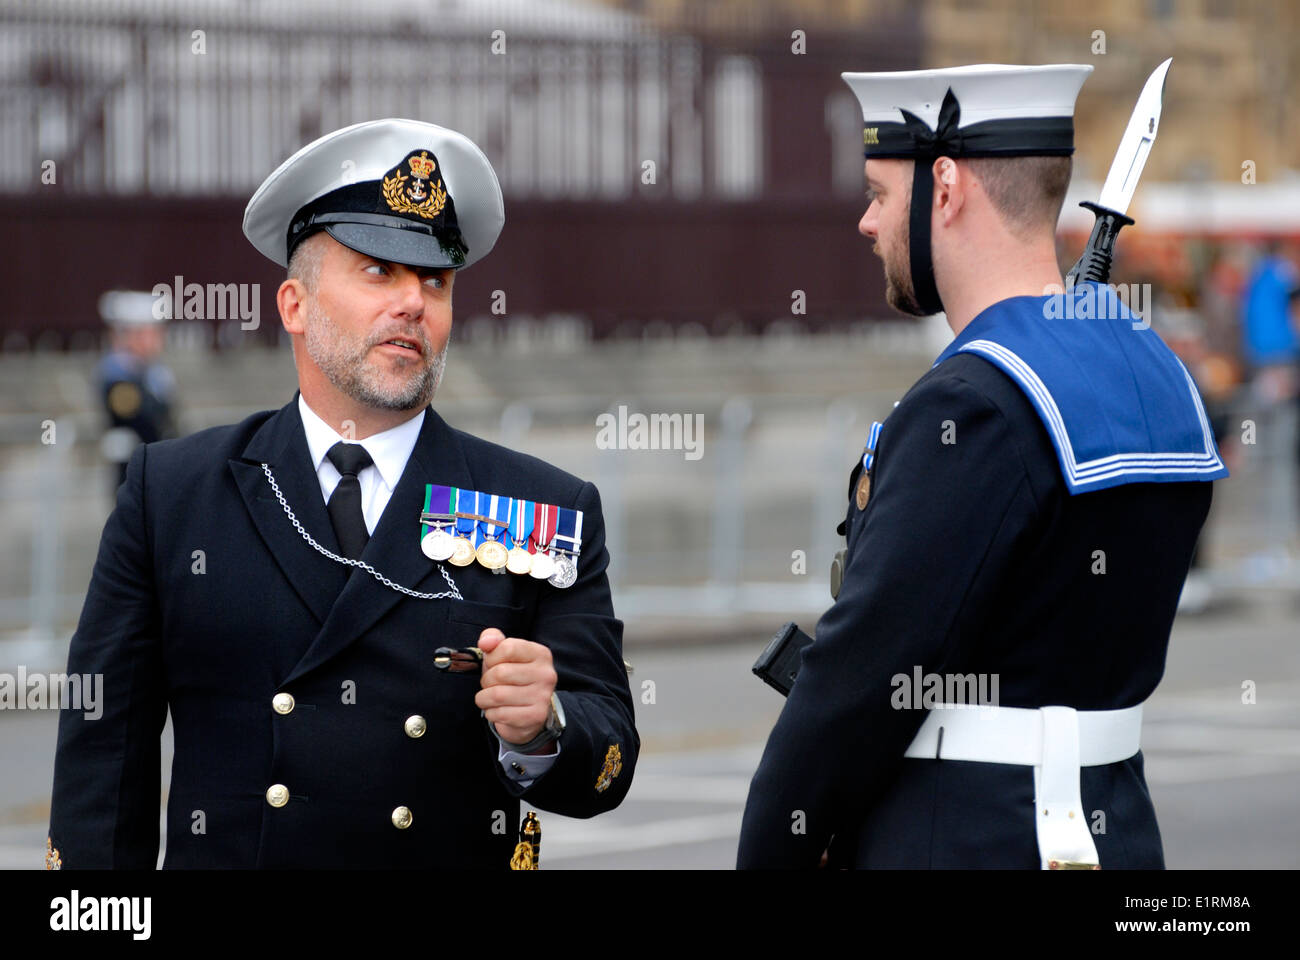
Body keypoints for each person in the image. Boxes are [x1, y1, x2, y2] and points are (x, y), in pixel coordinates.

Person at [48, 118, 637, 869]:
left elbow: (608, 753)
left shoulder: (544, 509)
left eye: (435, 281)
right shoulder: (174, 495)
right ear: (294, 305)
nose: (413, 303)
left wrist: (544, 726)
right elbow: (106, 755)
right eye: (377, 271)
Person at [737, 64, 1228, 869]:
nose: (865, 222)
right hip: (1118, 836)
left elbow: (854, 690)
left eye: (879, 194)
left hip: (958, 838)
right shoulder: (1156, 371)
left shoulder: (973, 406)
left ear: (947, 186)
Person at [94, 290, 177, 491]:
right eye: (152, 333)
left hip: (155, 469)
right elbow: (144, 421)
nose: (158, 340)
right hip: (133, 476)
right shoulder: (118, 376)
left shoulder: (153, 374)